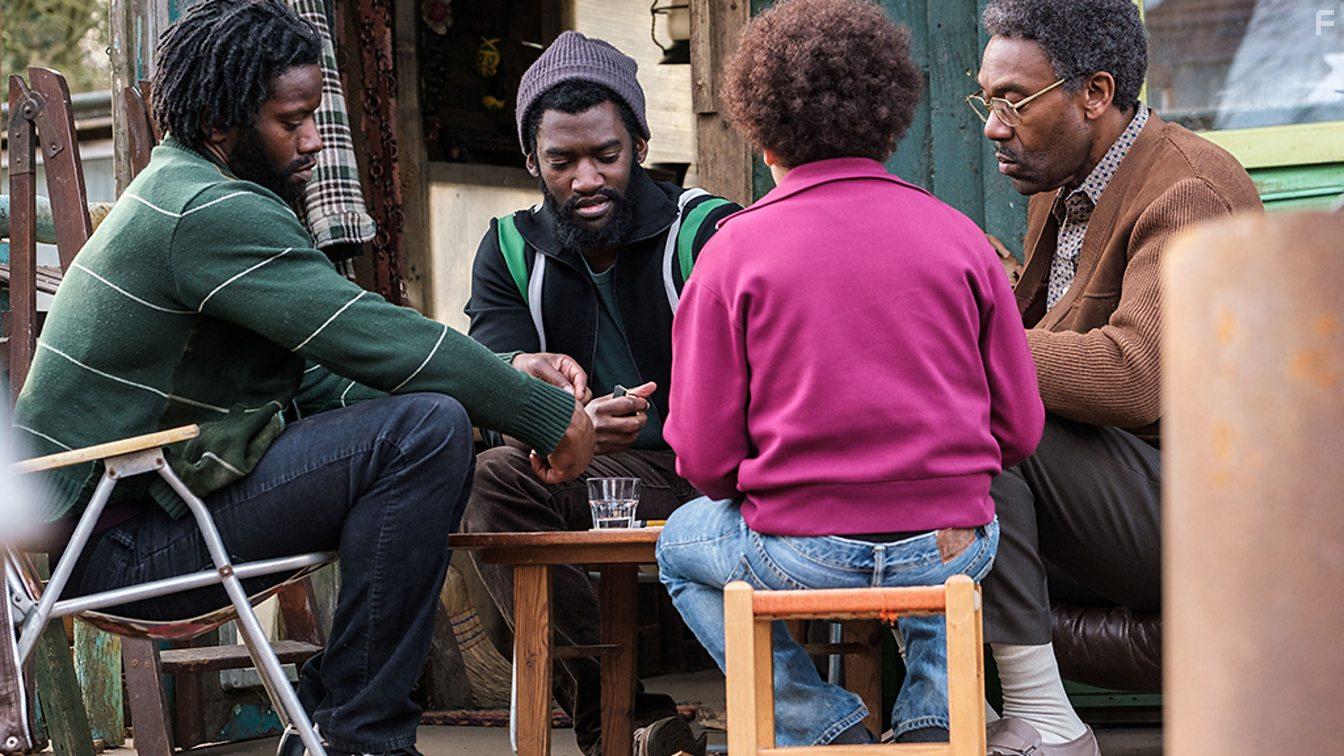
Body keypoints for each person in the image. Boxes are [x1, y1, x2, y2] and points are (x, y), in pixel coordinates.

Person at [10, 3, 595, 755]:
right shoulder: (207, 211)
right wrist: (543, 413)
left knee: (427, 421)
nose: (315, 139)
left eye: (315, 115)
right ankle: (359, 733)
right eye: (293, 119)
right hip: (120, 546)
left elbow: (319, 379)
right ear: (223, 119)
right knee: (424, 431)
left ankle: (336, 714)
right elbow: (367, 333)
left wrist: (503, 378)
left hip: (135, 522)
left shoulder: (189, 188)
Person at [654, 0, 1044, 747]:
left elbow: (703, 462)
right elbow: (1019, 430)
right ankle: (934, 712)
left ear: (762, 129)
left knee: (679, 546)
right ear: (889, 119)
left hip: (800, 551)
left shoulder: (733, 253)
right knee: (954, 510)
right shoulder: (960, 240)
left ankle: (821, 726)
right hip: (951, 547)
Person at [970, 0, 1262, 753]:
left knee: (988, 419)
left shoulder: (1186, 190)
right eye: (986, 98)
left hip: (1210, 512)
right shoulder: (1062, 184)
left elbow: (1134, 375)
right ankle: (938, 706)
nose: (993, 125)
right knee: (935, 427)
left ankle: (1047, 721)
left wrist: (975, 334)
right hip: (1131, 494)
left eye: (1014, 101)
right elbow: (1054, 342)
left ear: (1094, 94)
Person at [460, 31, 740, 756]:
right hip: (612, 478)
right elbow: (489, 370)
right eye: (562, 161)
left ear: (640, 145)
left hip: (726, 477)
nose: (586, 179)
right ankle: (621, 720)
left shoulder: (708, 230)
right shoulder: (511, 248)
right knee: (492, 484)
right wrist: (557, 415)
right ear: (532, 162)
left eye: (605, 156)